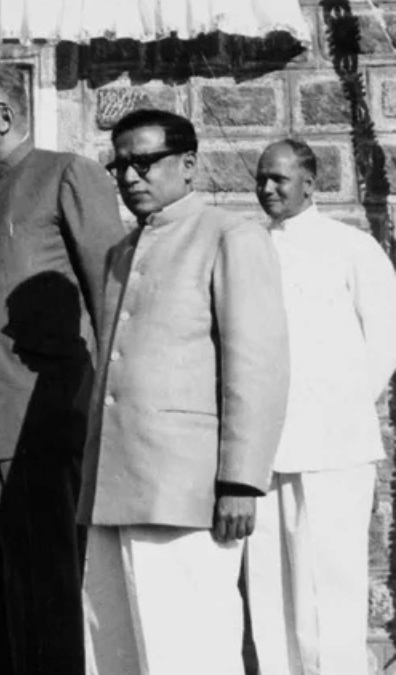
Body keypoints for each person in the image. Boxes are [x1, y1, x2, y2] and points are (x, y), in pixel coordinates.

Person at [79, 108, 289, 675]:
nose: (130, 177)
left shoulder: (230, 236)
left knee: (189, 651)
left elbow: (257, 366)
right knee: (115, 654)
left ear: (189, 164)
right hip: (112, 487)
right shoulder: (121, 254)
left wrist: (241, 482)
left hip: (187, 492)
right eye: (119, 165)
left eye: (145, 162)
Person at [0, 64, 125, 675]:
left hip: (38, 427)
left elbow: (109, 299)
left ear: (6, 116)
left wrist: (101, 414)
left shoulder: (68, 175)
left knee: (44, 592)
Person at [245, 139, 396, 675]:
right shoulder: (249, 247)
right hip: (263, 450)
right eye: (261, 179)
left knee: (332, 588)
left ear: (311, 183)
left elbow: (383, 343)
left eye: (279, 180)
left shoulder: (351, 248)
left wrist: (337, 411)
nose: (267, 189)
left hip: (333, 447)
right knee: (269, 588)